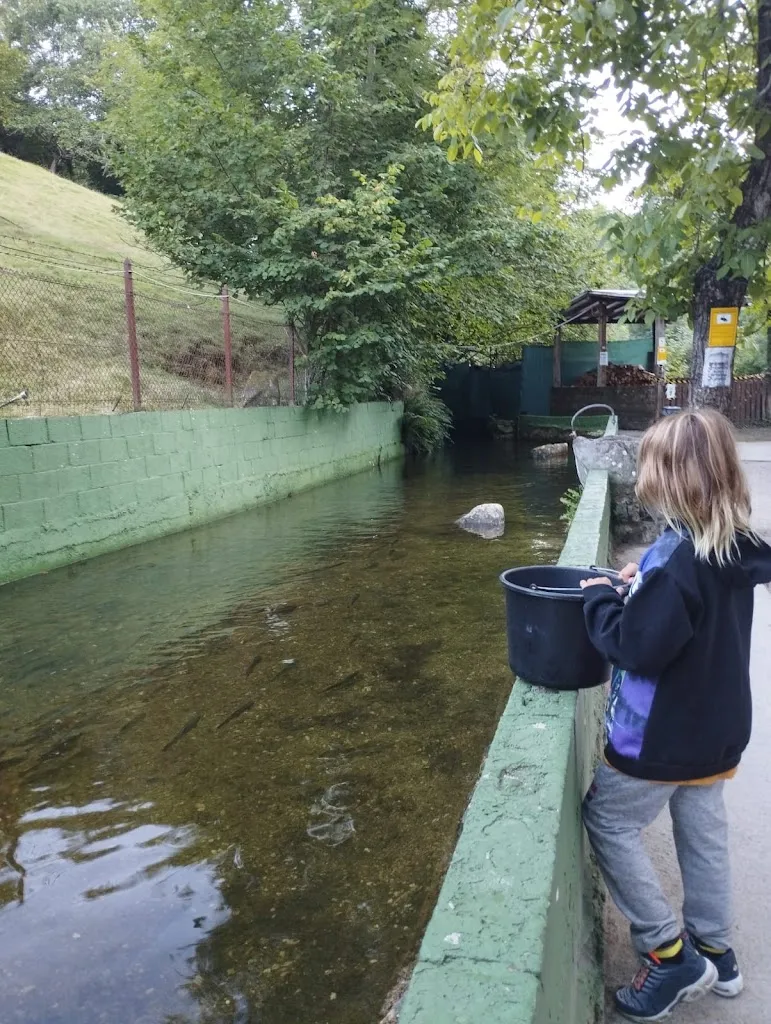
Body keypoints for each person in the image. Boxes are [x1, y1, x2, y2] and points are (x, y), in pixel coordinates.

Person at [579, 408, 771, 1023]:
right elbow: (689, 612)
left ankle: (669, 953)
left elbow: (635, 647)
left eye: (650, 467)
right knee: (702, 826)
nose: (641, 477)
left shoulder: (676, 560)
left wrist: (605, 600)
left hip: (662, 735)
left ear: (672, 478)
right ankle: (717, 950)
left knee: (606, 819)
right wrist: (643, 585)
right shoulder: (734, 545)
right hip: (718, 730)